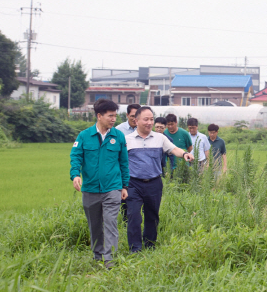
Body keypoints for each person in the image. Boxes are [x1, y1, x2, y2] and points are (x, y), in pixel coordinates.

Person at [125, 107, 194, 253]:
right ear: (136, 121)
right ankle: (135, 248)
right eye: (146, 119)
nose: (150, 122)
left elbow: (174, 149)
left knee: (152, 215)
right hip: (133, 183)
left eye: (152, 119)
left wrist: (185, 154)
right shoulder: (127, 140)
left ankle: (150, 245)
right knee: (133, 215)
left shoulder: (159, 138)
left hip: (154, 183)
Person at [70, 99, 128, 269]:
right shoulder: (84, 136)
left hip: (113, 188)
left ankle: (109, 260)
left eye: (115, 116)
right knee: (94, 224)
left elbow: (124, 162)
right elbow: (76, 157)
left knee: (110, 223)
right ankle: (97, 256)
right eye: (110, 116)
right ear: (99, 116)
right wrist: (75, 175)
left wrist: (124, 186)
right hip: (90, 189)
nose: (113, 119)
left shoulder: (118, 136)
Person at [116, 103, 141, 220]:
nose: (134, 119)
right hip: (124, 171)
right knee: (125, 199)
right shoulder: (118, 130)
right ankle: (126, 222)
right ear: (127, 115)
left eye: (137, 116)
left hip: (140, 171)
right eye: (132, 116)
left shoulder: (143, 128)